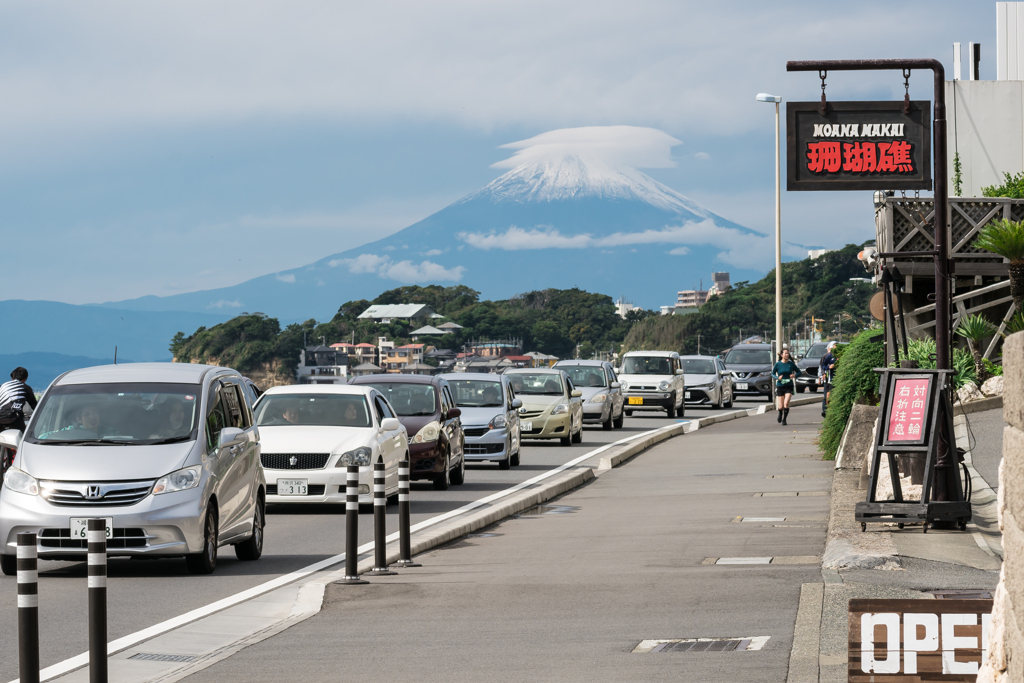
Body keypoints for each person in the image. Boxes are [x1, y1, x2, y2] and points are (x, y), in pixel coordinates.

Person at [0, 367, 38, 433]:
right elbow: (34, 405)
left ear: (12, 377)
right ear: (25, 379)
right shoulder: (25, 387)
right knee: (22, 437)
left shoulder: (3, 385)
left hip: (0, 416)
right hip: (14, 417)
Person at [772, 348, 801, 426]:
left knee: (786, 403)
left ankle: (784, 419)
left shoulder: (791, 364)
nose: (787, 355)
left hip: (789, 385)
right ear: (781, 355)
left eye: (788, 353)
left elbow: (799, 372)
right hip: (780, 385)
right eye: (785, 353)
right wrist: (777, 378)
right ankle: (780, 414)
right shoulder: (778, 364)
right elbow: (773, 374)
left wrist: (794, 375)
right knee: (781, 406)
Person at [819, 342, 837, 417]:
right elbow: (823, 366)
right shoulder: (829, 356)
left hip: (838, 380)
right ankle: (827, 411)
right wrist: (828, 368)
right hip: (830, 380)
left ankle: (833, 413)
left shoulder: (842, 356)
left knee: (835, 398)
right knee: (827, 398)